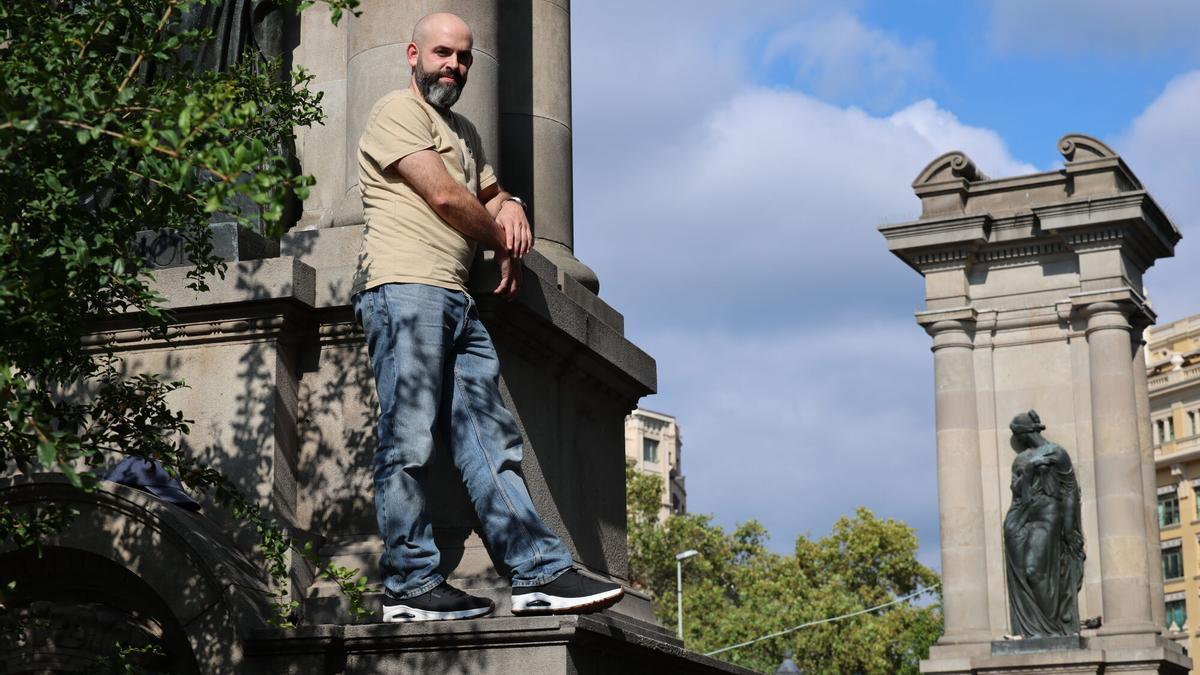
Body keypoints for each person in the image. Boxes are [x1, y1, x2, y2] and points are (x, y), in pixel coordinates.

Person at [350, 12, 623, 623]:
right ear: (413, 54)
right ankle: (409, 583)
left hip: (455, 297)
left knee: (489, 440)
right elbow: (446, 196)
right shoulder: (396, 112)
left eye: (465, 57)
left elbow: (487, 190)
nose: (454, 66)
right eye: (443, 53)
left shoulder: (464, 132)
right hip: (405, 290)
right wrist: (502, 239)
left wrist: (513, 203)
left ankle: (538, 573)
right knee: (409, 440)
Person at [1003, 410, 1085, 637]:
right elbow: (1018, 493)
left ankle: (1052, 629)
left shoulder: (1057, 454)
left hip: (1048, 517)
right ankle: (1031, 631)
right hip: (1019, 519)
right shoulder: (1020, 460)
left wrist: (1069, 529)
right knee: (1021, 574)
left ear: (1023, 434)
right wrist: (1028, 472)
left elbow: (1070, 491)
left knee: (1033, 570)